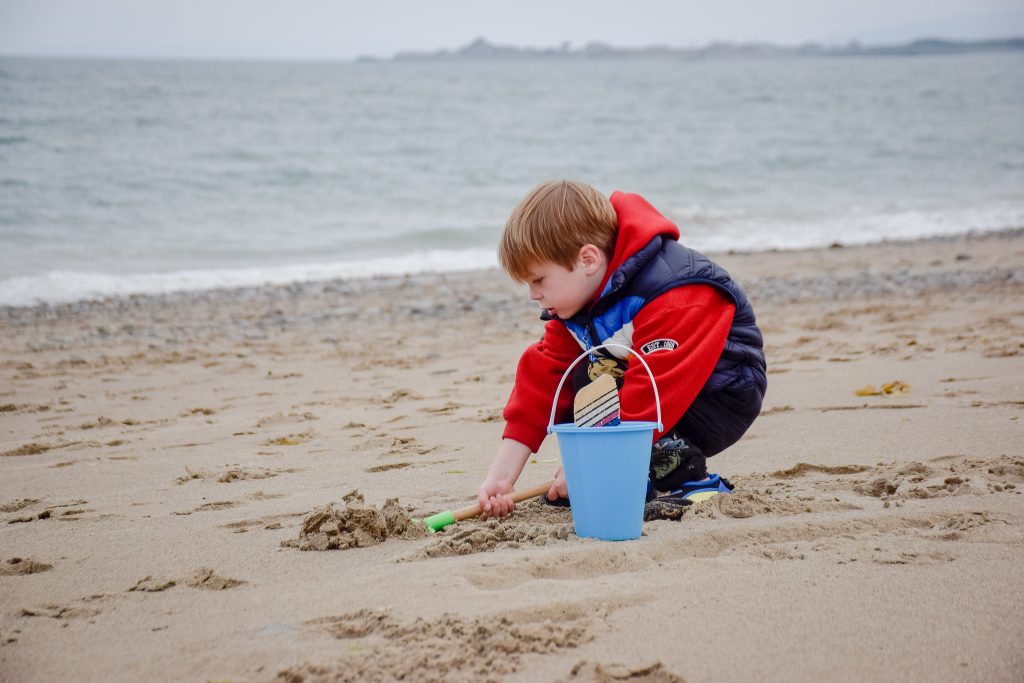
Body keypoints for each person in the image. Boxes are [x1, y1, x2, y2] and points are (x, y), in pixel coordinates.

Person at [476, 180, 767, 519]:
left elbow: (656, 387)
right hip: (652, 392)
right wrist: (501, 477)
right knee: (584, 370)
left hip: (720, 394)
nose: (533, 295)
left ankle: (694, 483)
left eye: (539, 280)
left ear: (587, 260)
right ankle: (632, 479)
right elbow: (542, 383)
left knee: (608, 373)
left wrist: (594, 463)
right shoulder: (579, 303)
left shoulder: (675, 290)